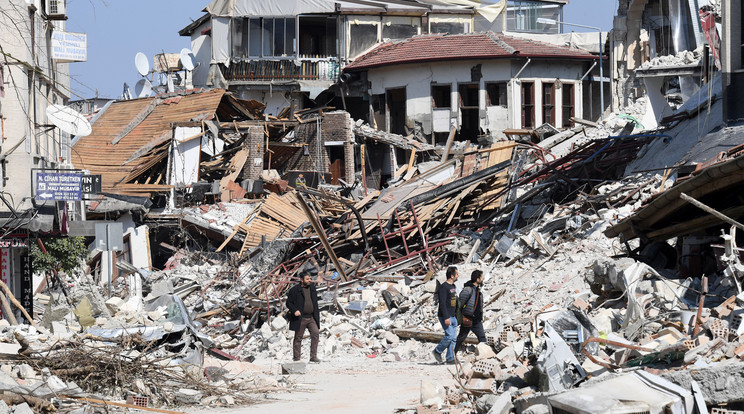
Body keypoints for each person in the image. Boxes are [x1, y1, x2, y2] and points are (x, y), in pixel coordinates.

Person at [285, 270, 321, 362]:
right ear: (301, 280)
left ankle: (313, 356)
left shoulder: (312, 288)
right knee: (298, 337)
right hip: (301, 318)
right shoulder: (295, 290)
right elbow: (288, 303)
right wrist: (294, 310)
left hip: (311, 317)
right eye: (307, 279)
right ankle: (296, 358)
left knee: (315, 334)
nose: (310, 280)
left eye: (310, 279)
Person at [455, 269, 487, 353]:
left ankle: (484, 356)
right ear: (477, 279)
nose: (482, 279)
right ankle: (452, 354)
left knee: (482, 338)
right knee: (461, 337)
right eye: (481, 277)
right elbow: (460, 304)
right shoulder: (468, 290)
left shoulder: (477, 290)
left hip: (476, 319)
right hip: (467, 318)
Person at [432, 266, 459, 364]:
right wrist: (446, 317)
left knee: (454, 338)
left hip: (452, 316)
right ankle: (437, 351)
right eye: (457, 274)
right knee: (449, 335)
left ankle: (450, 358)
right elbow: (442, 303)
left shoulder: (453, 286)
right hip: (445, 316)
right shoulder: (444, 287)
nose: (458, 275)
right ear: (452, 276)